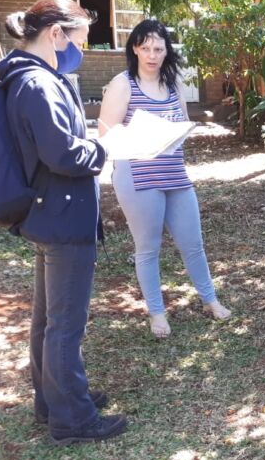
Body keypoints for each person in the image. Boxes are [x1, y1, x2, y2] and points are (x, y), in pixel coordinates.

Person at [0, 0, 127, 444]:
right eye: (80, 38)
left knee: (49, 320)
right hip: (64, 215)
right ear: (56, 34)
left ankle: (51, 400)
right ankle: (72, 419)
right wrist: (104, 149)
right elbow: (63, 153)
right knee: (65, 324)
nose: (82, 49)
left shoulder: (27, 78)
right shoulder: (39, 84)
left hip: (49, 211)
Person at [98, 19, 230, 338]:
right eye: (145, 48)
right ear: (134, 49)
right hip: (137, 176)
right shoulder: (123, 83)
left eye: (158, 48)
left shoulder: (173, 83)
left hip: (173, 172)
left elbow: (181, 124)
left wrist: (175, 133)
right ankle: (157, 313)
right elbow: (106, 134)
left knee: (193, 244)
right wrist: (141, 136)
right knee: (148, 248)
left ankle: (210, 300)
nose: (152, 54)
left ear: (166, 50)